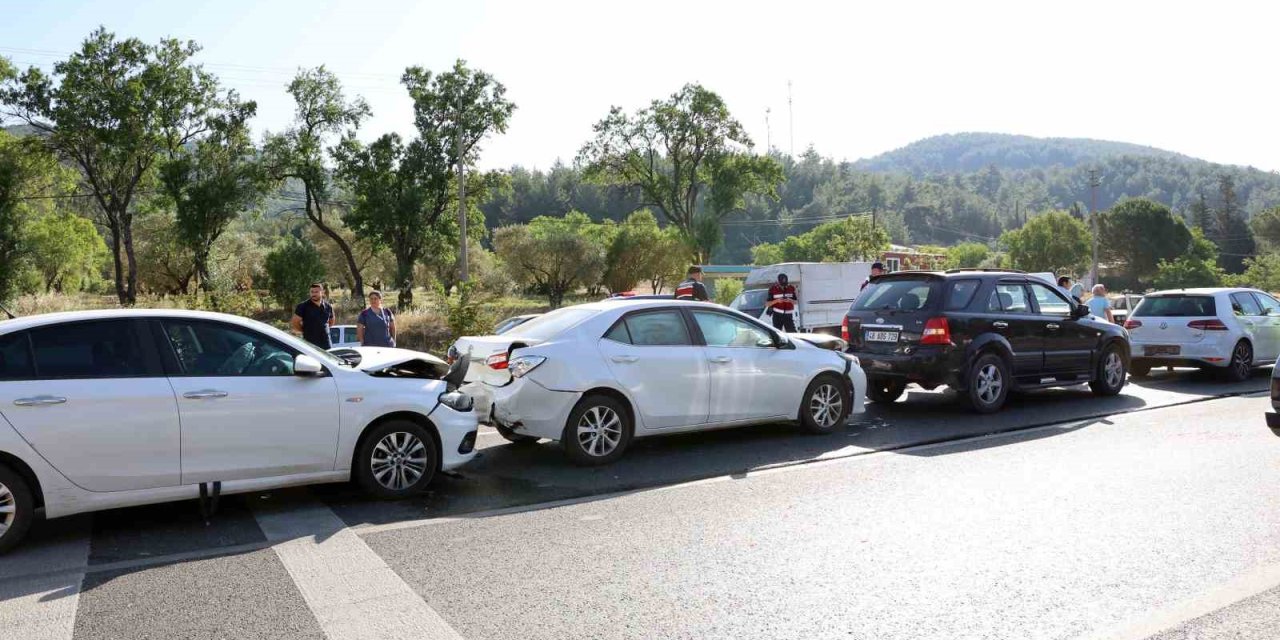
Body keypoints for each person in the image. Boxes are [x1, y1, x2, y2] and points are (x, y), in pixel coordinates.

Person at [291, 282, 336, 349]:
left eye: (316, 292)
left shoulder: (328, 306)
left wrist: (321, 329)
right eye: (312, 292)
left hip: (326, 343)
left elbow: (331, 322)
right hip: (310, 344)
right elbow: (295, 323)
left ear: (322, 292)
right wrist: (305, 331)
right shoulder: (302, 306)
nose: (313, 294)